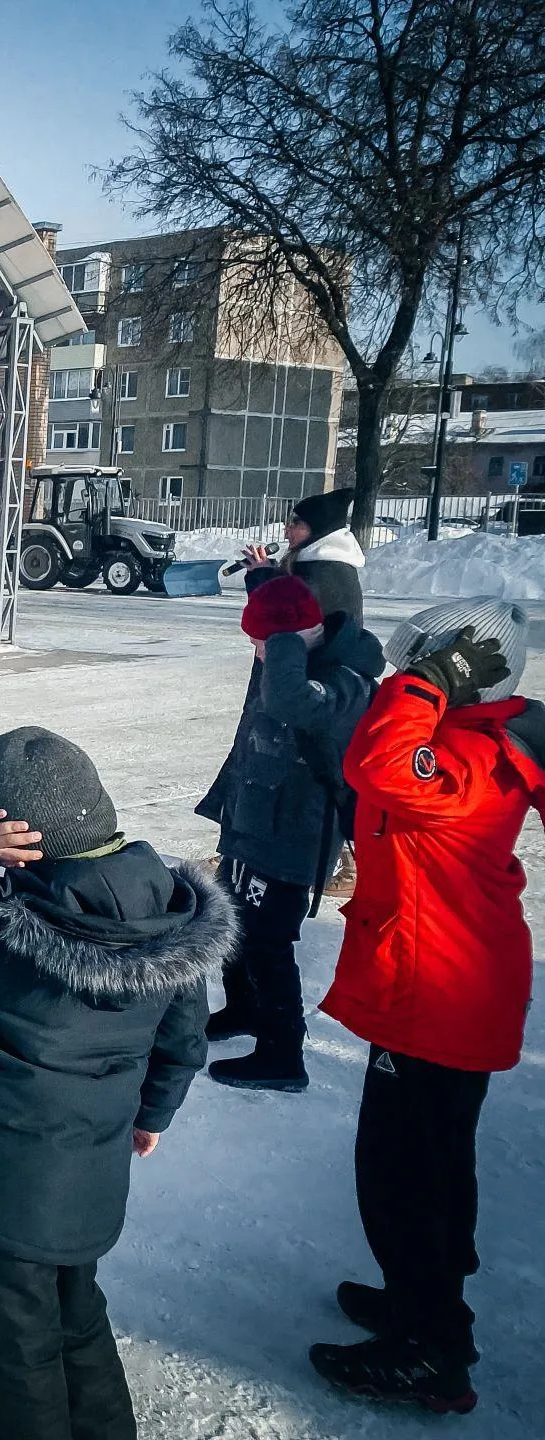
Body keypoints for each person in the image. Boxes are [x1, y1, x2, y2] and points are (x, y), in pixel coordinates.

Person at [0, 728, 233, 1440]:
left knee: (16, 1350)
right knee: (76, 1312)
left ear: (11, 832)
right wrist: (153, 1111)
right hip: (90, 1176)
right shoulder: (169, 910)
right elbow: (183, 1036)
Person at [308, 599, 541, 1415]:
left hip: (442, 990)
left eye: (433, 667)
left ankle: (429, 1347)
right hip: (436, 981)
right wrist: (428, 684)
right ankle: (424, 1304)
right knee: (429, 1162)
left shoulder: (479, 757)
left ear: (468, 674)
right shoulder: (471, 740)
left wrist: (428, 683)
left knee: (407, 1176)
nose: (410, 682)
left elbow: (378, 767)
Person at [195, 575, 383, 1091]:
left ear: (289, 639)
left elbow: (294, 706)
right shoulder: (288, 662)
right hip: (253, 822)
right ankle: (245, 1009)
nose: (257, 654)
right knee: (232, 921)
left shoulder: (343, 680)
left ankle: (283, 1054)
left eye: (262, 643)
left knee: (268, 941)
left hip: (294, 836)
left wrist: (280, 640)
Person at [241, 486, 366, 626]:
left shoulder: (326, 570)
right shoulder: (317, 564)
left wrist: (263, 575)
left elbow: (278, 617)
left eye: (295, 523)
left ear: (319, 527)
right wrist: (269, 572)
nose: (286, 532)